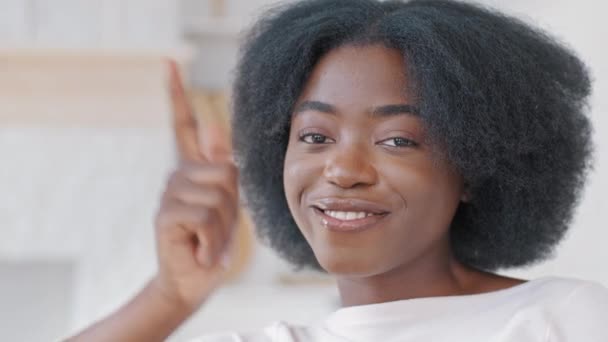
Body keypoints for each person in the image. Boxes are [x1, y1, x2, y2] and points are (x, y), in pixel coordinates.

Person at [67, 0, 608, 341]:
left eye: (397, 139)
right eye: (315, 137)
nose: (343, 169)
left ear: (473, 166)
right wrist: (169, 296)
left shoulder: (565, 319)